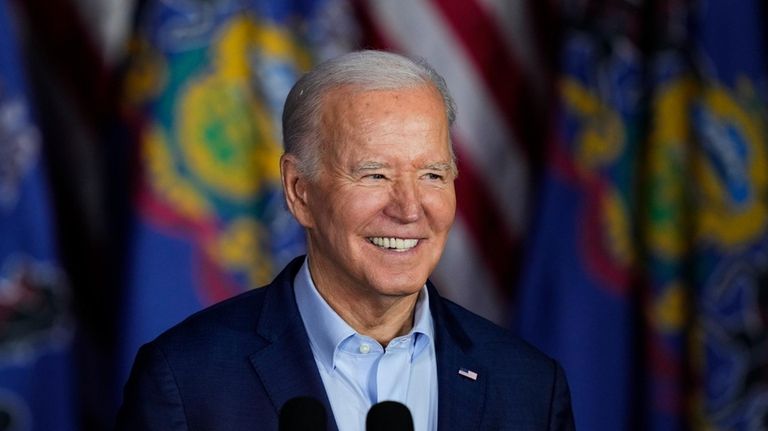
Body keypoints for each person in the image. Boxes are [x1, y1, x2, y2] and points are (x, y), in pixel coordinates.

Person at [116, 50, 575, 430]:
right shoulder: (186, 379)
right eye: (374, 174)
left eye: (433, 175)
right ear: (300, 191)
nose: (410, 209)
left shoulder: (529, 386)